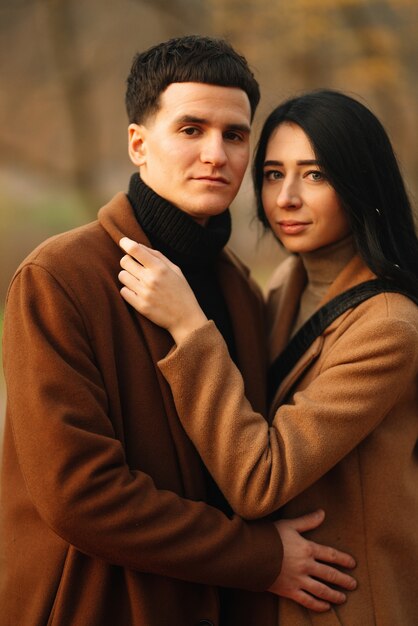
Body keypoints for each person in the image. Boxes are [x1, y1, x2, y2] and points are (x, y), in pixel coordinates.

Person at [0, 40, 356, 626]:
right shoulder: (60, 276)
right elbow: (80, 496)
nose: (215, 154)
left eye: (235, 135)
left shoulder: (239, 289)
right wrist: (262, 558)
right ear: (139, 144)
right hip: (95, 605)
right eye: (191, 129)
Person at [118, 89, 418, 625]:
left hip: (345, 605)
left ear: (360, 184)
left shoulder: (389, 328)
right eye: (275, 173)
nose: (286, 199)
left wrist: (189, 327)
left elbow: (262, 480)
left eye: (316, 175)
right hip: (268, 599)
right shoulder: (284, 285)